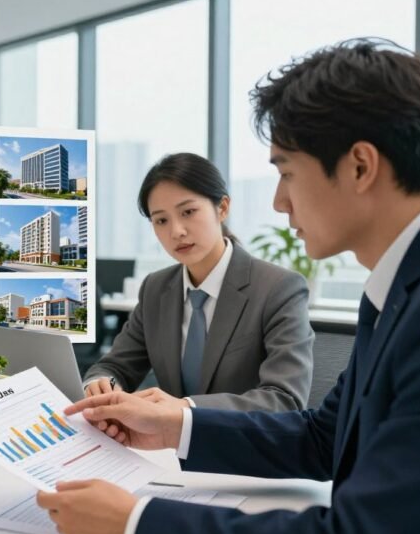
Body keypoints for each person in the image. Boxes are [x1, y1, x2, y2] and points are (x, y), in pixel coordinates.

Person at [37, 39, 420, 534]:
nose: (279, 201)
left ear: (360, 166)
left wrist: (137, 525)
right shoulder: (408, 284)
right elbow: (322, 438)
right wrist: (174, 426)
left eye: (287, 172)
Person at [83, 152, 313, 411]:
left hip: (239, 437)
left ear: (222, 208)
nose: (176, 231)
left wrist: (184, 410)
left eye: (188, 212)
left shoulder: (278, 288)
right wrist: (101, 383)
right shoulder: (155, 289)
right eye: (161, 220)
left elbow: (284, 399)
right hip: (163, 438)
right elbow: (114, 366)